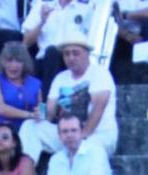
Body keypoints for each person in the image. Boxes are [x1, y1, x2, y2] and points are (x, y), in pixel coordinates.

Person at [20, 37, 116, 166]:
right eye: (67, 54)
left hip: (97, 136)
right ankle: (26, 173)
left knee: (83, 150)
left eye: (76, 53)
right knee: (30, 126)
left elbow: (97, 110)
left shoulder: (100, 73)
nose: (71, 58)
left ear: (87, 54)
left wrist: (82, 136)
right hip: (68, 135)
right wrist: (40, 113)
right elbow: (49, 111)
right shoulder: (60, 78)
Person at [0, 42, 41, 158]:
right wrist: (30, 115)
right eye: (9, 61)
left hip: (25, 129)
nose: (13, 65)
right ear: (3, 62)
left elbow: (40, 110)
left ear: (25, 63)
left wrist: (39, 114)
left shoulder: (35, 83)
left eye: (18, 61)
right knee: (3, 140)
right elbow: (0, 109)